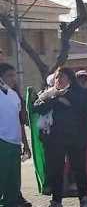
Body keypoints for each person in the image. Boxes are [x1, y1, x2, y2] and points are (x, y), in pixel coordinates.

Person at [34, 66, 87, 207]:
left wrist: (65, 98)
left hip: (77, 138)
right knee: (57, 170)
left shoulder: (83, 93)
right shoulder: (50, 93)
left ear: (70, 78)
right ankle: (56, 200)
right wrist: (57, 99)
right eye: (56, 77)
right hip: (55, 139)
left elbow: (85, 108)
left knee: (79, 169)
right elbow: (37, 106)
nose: (58, 79)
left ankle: (84, 199)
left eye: (61, 76)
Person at [1, 63, 31, 207]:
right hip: (2, 142)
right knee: (2, 178)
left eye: (14, 75)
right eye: (9, 75)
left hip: (15, 143)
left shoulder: (15, 95)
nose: (13, 78)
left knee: (14, 181)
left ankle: (10, 202)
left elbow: (20, 122)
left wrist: (25, 143)